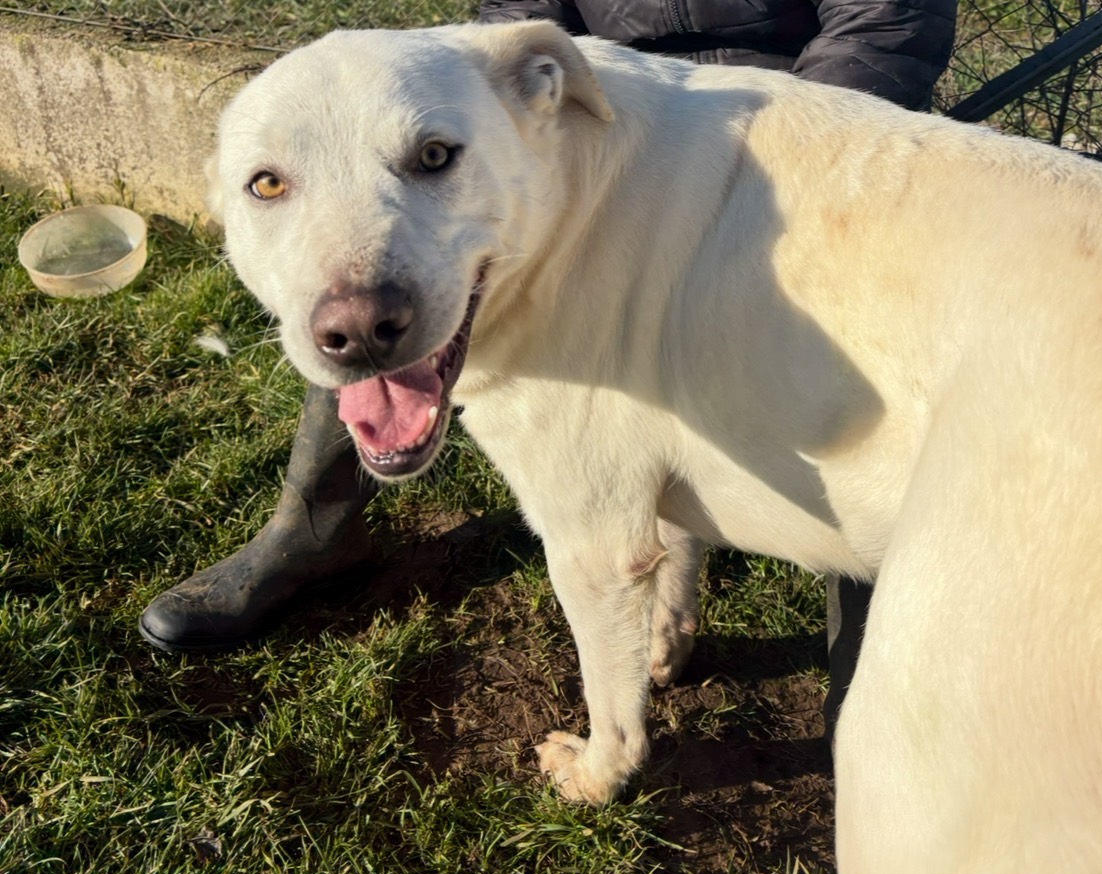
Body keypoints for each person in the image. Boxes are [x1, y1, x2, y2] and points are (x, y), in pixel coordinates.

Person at [140, 0, 957, 735]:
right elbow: (517, 18)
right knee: (370, 332)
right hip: (594, 115)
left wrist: (781, 161)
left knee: (852, 395)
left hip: (784, 129)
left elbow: (888, 21)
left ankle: (869, 674)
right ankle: (311, 531)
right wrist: (492, 98)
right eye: (268, 184)